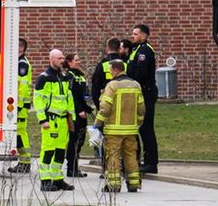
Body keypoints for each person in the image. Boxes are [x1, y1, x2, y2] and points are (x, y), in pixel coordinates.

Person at [90, 59, 146, 193]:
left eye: (110, 71)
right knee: (131, 155)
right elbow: (141, 109)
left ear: (115, 70)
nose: (109, 73)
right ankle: (133, 184)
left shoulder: (112, 86)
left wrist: (96, 125)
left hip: (114, 130)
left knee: (113, 156)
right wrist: (138, 123)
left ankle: (113, 185)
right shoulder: (135, 85)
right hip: (131, 130)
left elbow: (104, 108)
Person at [33, 49, 76, 192]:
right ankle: (45, 181)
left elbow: (68, 99)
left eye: (63, 57)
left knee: (60, 151)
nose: (62, 60)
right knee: (48, 151)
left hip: (63, 121)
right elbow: (38, 101)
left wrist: (72, 118)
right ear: (51, 59)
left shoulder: (63, 77)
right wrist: (42, 120)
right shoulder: (44, 78)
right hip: (50, 120)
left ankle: (58, 179)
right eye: (59, 58)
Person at [126, 24, 159, 174]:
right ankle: (147, 161)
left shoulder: (145, 50)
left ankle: (151, 163)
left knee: (146, 128)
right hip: (141, 93)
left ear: (144, 35)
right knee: (142, 128)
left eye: (135, 34)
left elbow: (141, 73)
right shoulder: (137, 50)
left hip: (146, 93)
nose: (132, 36)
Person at [8, 37, 34, 174]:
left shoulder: (22, 64)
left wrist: (18, 106)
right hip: (21, 105)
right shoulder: (19, 62)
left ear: (21, 48)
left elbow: (23, 87)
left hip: (21, 106)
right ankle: (24, 162)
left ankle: (25, 162)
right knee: (19, 133)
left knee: (20, 133)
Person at [64, 52, 92, 178]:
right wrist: (79, 109)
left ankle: (75, 167)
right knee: (74, 142)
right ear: (69, 62)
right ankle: (71, 169)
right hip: (75, 115)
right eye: (76, 60)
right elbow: (71, 96)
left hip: (82, 112)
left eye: (79, 59)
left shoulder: (80, 75)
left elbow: (82, 96)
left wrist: (88, 108)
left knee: (80, 142)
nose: (78, 61)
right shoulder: (69, 76)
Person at [90, 37, 125, 127]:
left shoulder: (102, 65)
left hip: (106, 106)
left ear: (107, 48)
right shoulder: (126, 65)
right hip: (125, 106)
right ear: (119, 49)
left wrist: (99, 107)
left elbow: (95, 88)